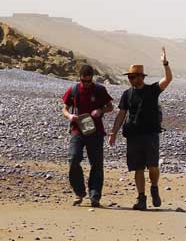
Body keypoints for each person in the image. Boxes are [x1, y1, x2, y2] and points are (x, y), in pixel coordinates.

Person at [108, 47, 172, 210]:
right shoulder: (126, 94)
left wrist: (165, 63)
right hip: (134, 136)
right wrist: (113, 132)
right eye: (129, 77)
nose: (131, 79)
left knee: (153, 166)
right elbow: (121, 115)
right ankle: (141, 198)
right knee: (137, 168)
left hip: (151, 135)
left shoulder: (152, 90)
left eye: (133, 77)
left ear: (141, 77)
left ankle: (154, 188)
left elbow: (168, 79)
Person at [62, 64, 113, 207]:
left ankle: (95, 196)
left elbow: (110, 107)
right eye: (83, 81)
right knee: (73, 158)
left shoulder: (99, 90)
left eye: (88, 81)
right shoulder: (73, 90)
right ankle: (79, 192)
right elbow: (64, 109)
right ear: (80, 78)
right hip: (77, 130)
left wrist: (100, 111)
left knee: (96, 164)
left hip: (95, 131)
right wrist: (70, 116)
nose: (86, 84)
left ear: (92, 78)